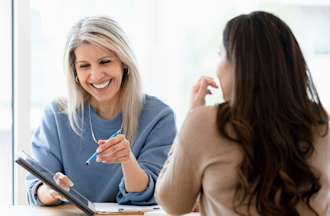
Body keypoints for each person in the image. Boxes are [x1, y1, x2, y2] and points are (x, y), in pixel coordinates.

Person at [156, 11, 330, 216]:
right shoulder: (320, 122)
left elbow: (173, 204)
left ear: (237, 64)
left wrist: (191, 116)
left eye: (220, 54)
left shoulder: (204, 122)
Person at [26, 16, 176, 206]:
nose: (96, 75)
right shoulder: (56, 115)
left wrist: (127, 159)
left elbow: (148, 194)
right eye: (84, 66)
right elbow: (36, 190)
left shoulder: (159, 117)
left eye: (105, 62)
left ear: (123, 62)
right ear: (75, 73)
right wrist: (52, 190)